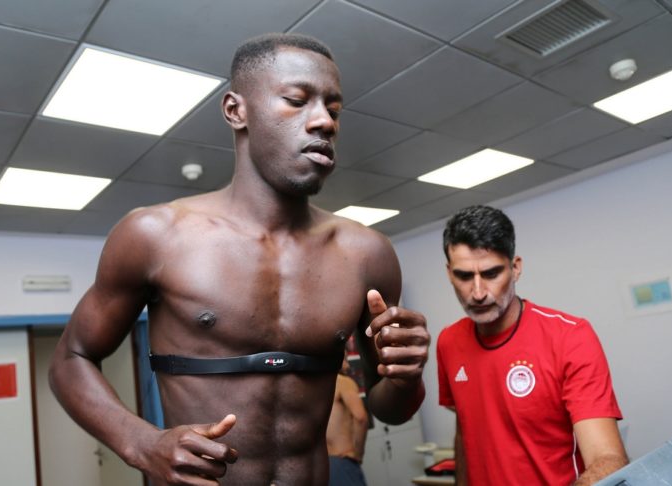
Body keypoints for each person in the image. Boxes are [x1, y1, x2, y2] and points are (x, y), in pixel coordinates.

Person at [49, 33, 429, 486]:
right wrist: (142, 443)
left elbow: (391, 411)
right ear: (236, 110)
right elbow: (70, 359)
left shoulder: (368, 254)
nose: (324, 121)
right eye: (297, 100)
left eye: (334, 109)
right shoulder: (156, 235)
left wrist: (406, 378)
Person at [436, 205, 628, 486]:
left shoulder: (570, 336)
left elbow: (608, 459)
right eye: (464, 276)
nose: (477, 293)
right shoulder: (448, 342)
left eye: (491, 274)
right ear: (449, 273)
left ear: (515, 268)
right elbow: (466, 431)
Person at [326, 353, 369, 486]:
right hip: (343, 460)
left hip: (323, 465)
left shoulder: (315, 388)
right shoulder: (343, 382)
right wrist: (358, 454)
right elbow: (360, 417)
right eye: (344, 359)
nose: (348, 366)